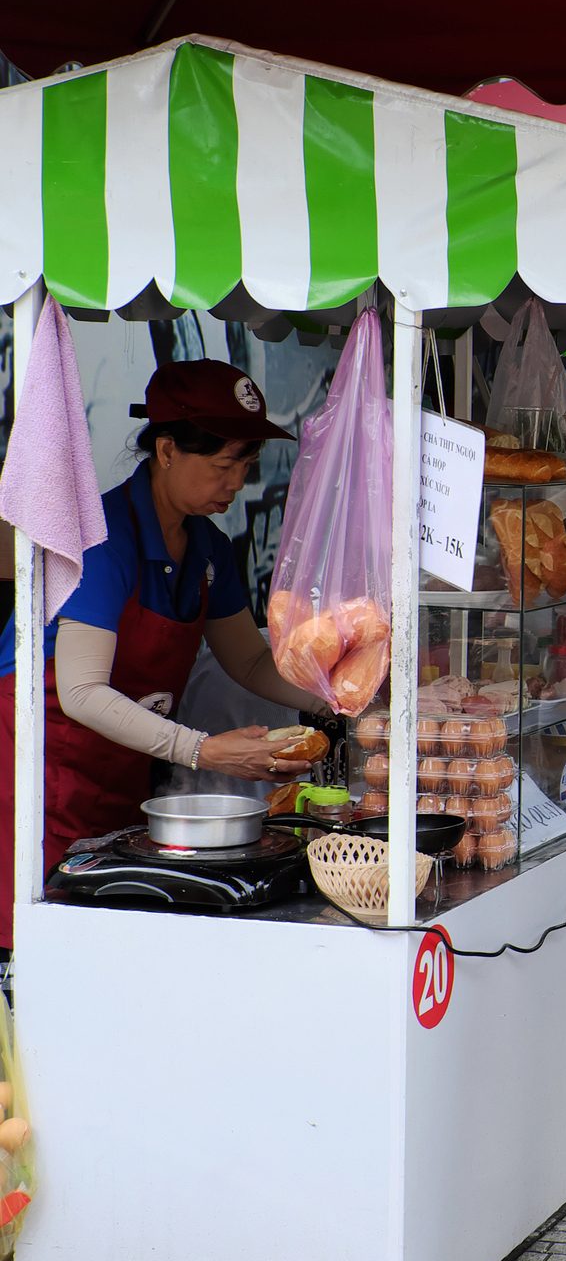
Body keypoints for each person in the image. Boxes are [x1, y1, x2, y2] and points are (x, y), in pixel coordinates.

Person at [0, 361, 327, 950]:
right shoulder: (103, 538)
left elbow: (249, 663)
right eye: (224, 464)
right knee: (33, 941)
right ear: (168, 449)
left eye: (246, 466)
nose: (237, 483)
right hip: (34, 761)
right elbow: (80, 692)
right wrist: (205, 751)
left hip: (118, 760)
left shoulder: (210, 547)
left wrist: (340, 698)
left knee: (109, 928)